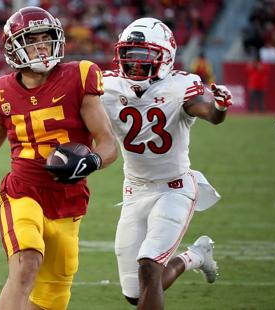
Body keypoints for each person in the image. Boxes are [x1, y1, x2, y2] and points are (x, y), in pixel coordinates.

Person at [0, 6, 117, 310]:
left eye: (46, 39)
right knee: (27, 264)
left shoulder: (79, 76)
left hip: (69, 200)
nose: (43, 47)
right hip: (23, 192)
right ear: (15, 48)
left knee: (50, 301)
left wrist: (92, 161)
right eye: (33, 41)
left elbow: (108, 144)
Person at [101, 18, 233, 309]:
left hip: (174, 189)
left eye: (143, 56)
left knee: (149, 266)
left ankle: (191, 256)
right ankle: (195, 256)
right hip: (134, 191)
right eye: (129, 54)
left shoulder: (180, 86)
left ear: (165, 57)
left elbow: (209, 112)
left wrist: (220, 107)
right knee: (135, 293)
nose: (134, 63)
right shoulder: (107, 86)